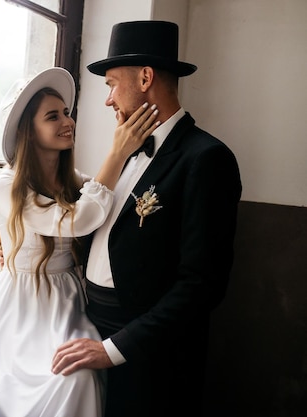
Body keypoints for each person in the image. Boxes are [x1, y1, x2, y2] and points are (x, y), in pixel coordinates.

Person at [51, 21, 242, 417]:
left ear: (144, 77)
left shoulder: (206, 158)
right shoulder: (123, 149)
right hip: (89, 326)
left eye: (110, 85)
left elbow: (201, 285)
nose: (107, 100)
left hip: (148, 351)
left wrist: (114, 348)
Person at [0, 67, 159, 417]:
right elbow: (78, 220)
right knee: (60, 379)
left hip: (69, 303)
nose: (67, 121)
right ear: (29, 133)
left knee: (80, 374)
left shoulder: (75, 180)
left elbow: (101, 209)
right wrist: (117, 152)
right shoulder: (5, 185)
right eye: (53, 116)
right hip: (24, 309)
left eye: (66, 112)